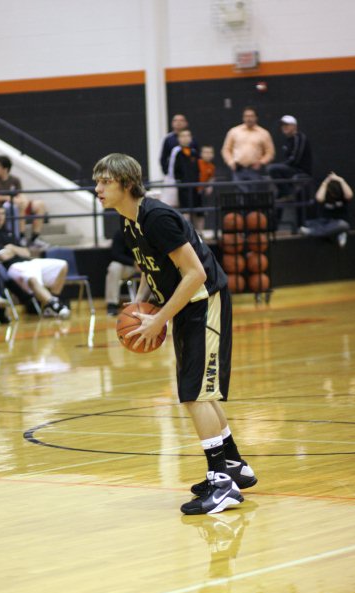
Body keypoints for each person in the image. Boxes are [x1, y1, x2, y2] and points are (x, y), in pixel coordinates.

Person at [93, 153, 257, 516]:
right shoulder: (130, 222)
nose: (98, 188)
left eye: (104, 181)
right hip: (186, 307)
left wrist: (159, 319)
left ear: (126, 183)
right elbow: (149, 270)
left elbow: (195, 273)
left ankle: (221, 484)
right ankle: (235, 468)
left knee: (195, 394)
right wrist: (138, 309)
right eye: (97, 182)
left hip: (204, 301)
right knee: (200, 391)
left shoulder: (157, 217)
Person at [0, 204, 70, 318]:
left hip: (29, 262)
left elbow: (27, 252)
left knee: (62, 265)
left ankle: (50, 303)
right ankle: (55, 306)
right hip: (13, 267)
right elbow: (2, 257)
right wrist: (16, 251)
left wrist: (12, 249)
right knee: (32, 279)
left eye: (3, 213)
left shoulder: (9, 232)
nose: (1, 216)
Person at [0, 155, 48, 248]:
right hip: (3, 206)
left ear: (5, 168)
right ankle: (21, 236)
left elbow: (20, 194)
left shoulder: (15, 180)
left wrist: (22, 200)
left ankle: (35, 237)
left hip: (17, 203)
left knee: (40, 204)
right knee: (17, 205)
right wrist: (8, 198)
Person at [221, 106, 275, 191]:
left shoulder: (264, 133)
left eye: (251, 116)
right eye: (246, 116)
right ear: (243, 118)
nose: (249, 118)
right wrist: (231, 162)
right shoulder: (234, 132)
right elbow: (226, 149)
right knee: (239, 193)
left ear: (256, 118)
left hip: (254, 170)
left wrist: (261, 162)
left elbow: (270, 152)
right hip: (238, 169)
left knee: (254, 193)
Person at [299, 172, 353, 247]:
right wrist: (325, 182)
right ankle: (337, 232)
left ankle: (312, 232)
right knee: (308, 223)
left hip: (338, 222)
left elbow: (349, 195)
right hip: (325, 222)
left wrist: (341, 180)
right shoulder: (325, 195)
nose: (333, 195)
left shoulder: (343, 196)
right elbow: (319, 198)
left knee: (344, 225)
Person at [266, 115, 312, 200]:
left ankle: (289, 193)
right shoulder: (288, 140)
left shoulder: (299, 137)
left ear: (294, 126)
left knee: (271, 169)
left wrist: (283, 165)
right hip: (291, 171)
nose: (284, 127)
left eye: (287, 125)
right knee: (277, 200)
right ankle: (285, 193)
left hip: (300, 171)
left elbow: (295, 159)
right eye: (283, 125)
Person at [105, 229, 138, 316]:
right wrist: (134, 263)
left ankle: (163, 301)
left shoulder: (147, 230)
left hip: (149, 264)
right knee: (114, 267)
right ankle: (112, 304)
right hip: (130, 267)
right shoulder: (120, 233)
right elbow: (116, 254)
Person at [173, 129, 201, 227]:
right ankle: (187, 232)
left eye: (188, 135)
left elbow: (200, 168)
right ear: (179, 139)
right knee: (185, 210)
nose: (186, 138)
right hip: (183, 188)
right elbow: (173, 171)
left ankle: (199, 234)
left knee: (198, 210)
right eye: (183, 136)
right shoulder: (176, 153)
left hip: (196, 187)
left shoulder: (194, 153)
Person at [198, 145, 217, 233]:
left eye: (210, 152)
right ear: (201, 154)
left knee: (203, 212)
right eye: (206, 152)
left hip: (203, 193)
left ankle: (200, 232)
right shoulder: (197, 163)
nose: (208, 155)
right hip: (195, 192)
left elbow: (211, 178)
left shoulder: (212, 167)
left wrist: (210, 186)